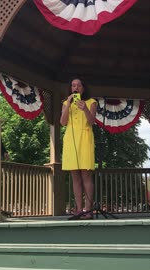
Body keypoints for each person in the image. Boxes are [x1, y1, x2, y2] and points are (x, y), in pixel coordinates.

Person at [60, 78, 97, 219]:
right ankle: (79, 209)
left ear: (83, 88)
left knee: (86, 175)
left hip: (85, 138)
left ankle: (88, 209)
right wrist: (68, 105)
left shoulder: (91, 102)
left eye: (79, 85)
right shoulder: (65, 103)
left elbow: (92, 121)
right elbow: (63, 122)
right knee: (75, 177)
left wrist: (85, 109)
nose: (76, 87)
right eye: (73, 85)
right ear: (70, 88)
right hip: (70, 139)